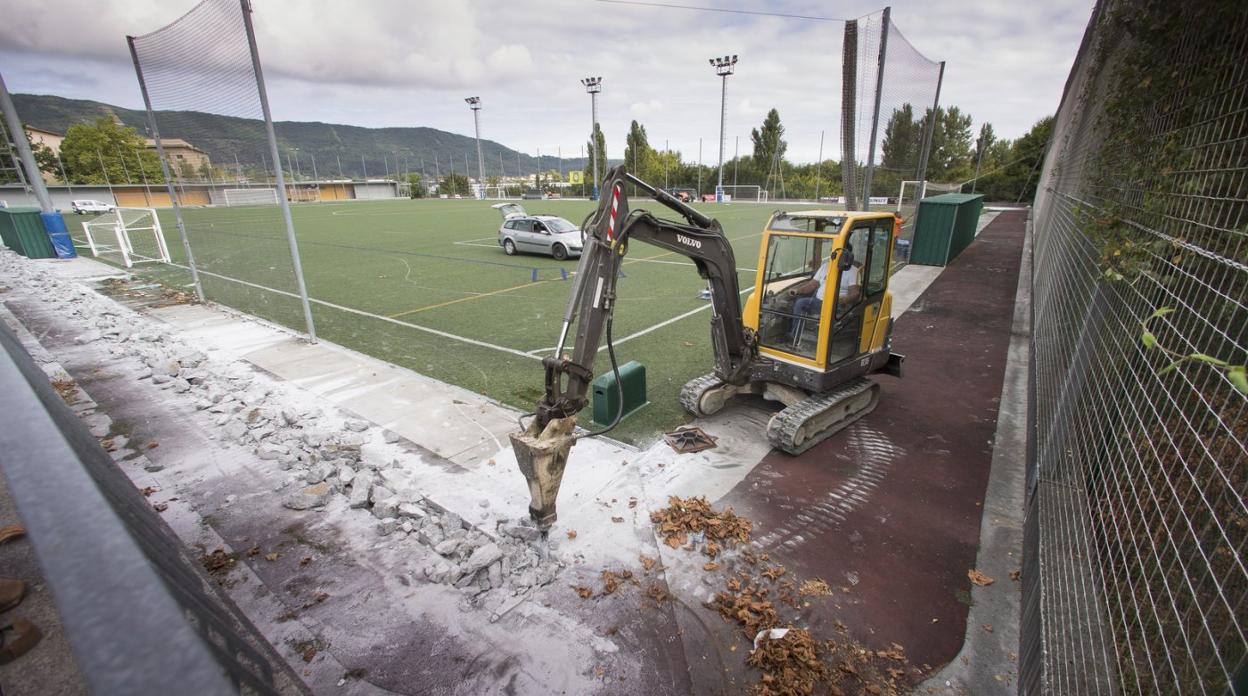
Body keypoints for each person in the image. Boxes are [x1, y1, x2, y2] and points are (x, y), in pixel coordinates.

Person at [786, 249, 860, 344]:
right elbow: (812, 285)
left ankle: (825, 342)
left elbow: (855, 292)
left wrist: (845, 300)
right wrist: (798, 290)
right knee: (800, 303)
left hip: (837, 305)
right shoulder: (825, 267)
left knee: (830, 317)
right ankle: (796, 336)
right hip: (819, 302)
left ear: (846, 255)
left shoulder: (853, 271)